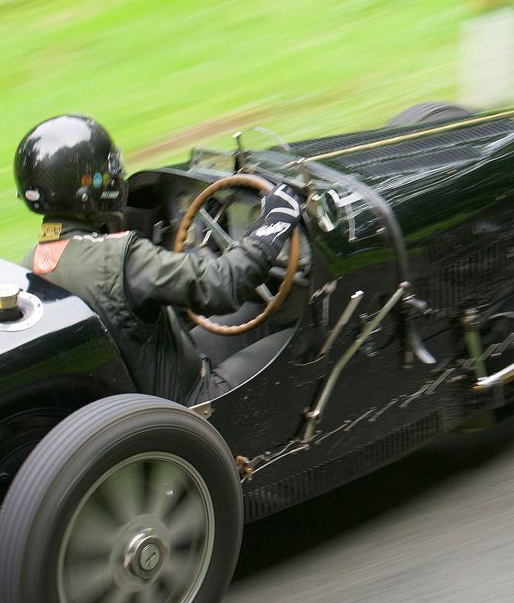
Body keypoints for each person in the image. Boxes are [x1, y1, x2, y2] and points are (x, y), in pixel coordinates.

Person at [15, 114, 300, 403]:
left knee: (264, 314)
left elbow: (125, 314)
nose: (117, 174)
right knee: (300, 338)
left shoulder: (29, 266)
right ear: (90, 187)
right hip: (191, 403)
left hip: (143, 392)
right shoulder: (120, 257)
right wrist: (273, 223)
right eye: (110, 168)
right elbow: (222, 285)